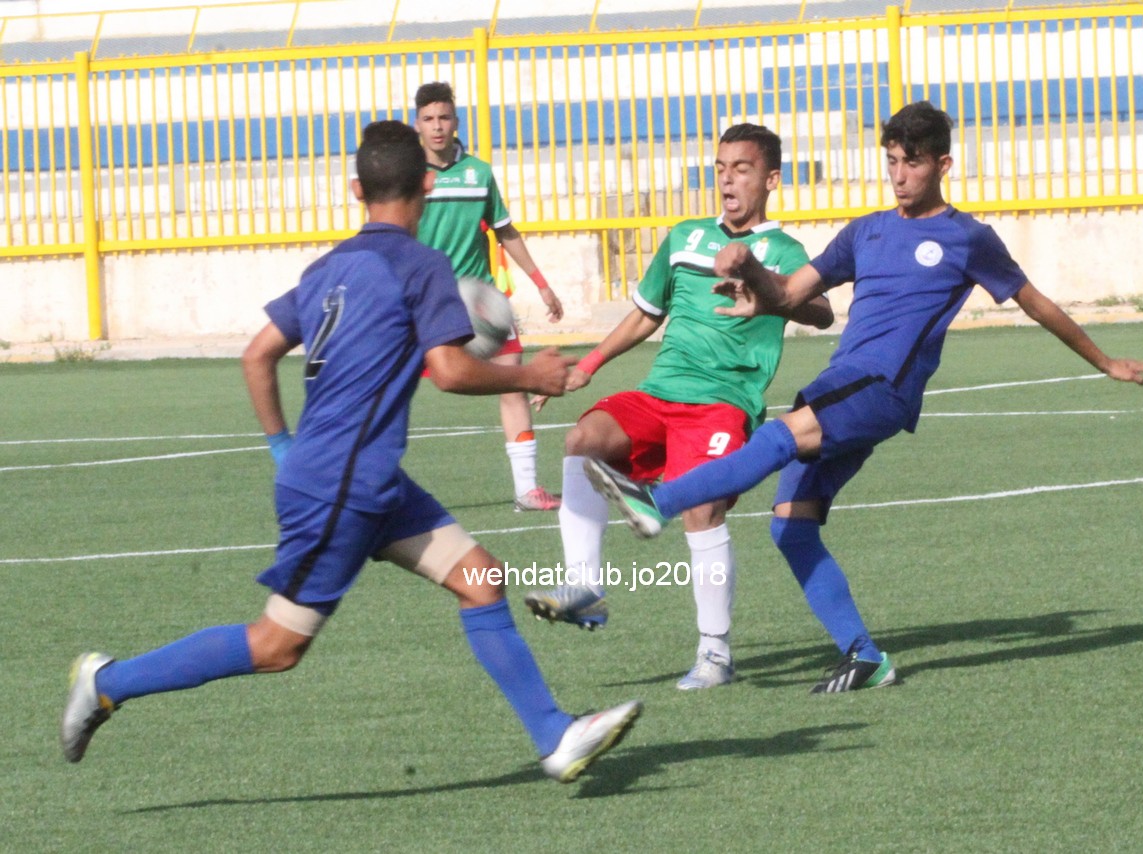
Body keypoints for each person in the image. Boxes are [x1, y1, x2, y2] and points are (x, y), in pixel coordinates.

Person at [60, 120, 641, 784]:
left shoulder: (325, 268)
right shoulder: (422, 264)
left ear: (356, 190)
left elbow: (257, 355)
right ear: (427, 186)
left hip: (360, 476)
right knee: (277, 645)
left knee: (480, 578)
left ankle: (554, 736)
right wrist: (531, 375)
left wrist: (283, 446)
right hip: (343, 484)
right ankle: (108, 683)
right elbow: (449, 371)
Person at [585, 101, 1143, 693]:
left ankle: (657, 502)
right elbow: (791, 293)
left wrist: (1104, 360)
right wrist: (753, 274)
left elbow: (1034, 302)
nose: (899, 175)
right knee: (791, 527)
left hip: (882, 388)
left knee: (779, 437)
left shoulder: (968, 238)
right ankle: (865, 657)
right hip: (842, 384)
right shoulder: (865, 231)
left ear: (942, 165)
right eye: (891, 161)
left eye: (912, 163)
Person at [523, 124, 834, 691]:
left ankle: (715, 653)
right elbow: (647, 313)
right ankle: (584, 588)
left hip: (723, 404)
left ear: (771, 179)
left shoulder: (784, 252)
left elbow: (821, 312)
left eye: (742, 169)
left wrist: (761, 284)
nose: (728, 180)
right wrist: (589, 365)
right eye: (721, 168)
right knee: (582, 441)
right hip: (660, 393)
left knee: (701, 509)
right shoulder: (687, 237)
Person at [414, 81, 564, 512]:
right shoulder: (410, 177)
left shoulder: (479, 174)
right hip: (426, 303)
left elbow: (505, 231)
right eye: (428, 119)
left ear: (455, 122)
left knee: (514, 383)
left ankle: (527, 489)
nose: (437, 126)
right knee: (390, 390)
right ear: (418, 124)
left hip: (482, 302)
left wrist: (541, 282)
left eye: (444, 117)